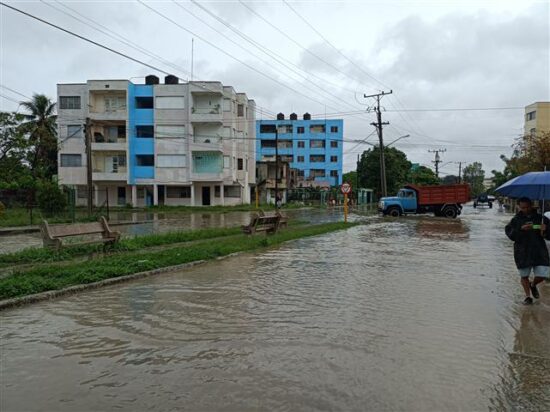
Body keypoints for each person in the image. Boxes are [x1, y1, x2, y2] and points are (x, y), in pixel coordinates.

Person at [505, 197, 550, 305]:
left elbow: (548, 236)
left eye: (527, 207)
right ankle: (528, 296)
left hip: (539, 250)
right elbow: (511, 235)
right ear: (519, 207)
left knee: (543, 274)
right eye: (523, 207)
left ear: (531, 205)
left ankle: (533, 284)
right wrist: (521, 230)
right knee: (524, 275)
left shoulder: (541, 218)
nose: (525, 209)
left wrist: (546, 230)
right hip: (522, 251)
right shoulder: (516, 220)